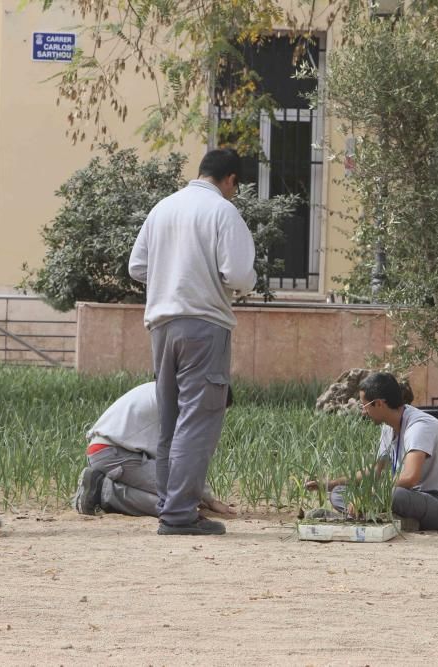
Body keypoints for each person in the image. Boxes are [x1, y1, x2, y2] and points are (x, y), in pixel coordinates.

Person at [128, 147, 256, 536]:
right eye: (237, 185)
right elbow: (237, 274)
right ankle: (179, 516)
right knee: (198, 421)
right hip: (204, 325)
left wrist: (172, 278)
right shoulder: (222, 212)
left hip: (161, 326)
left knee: (170, 421)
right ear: (231, 179)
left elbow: (137, 267)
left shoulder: (163, 208)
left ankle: (170, 506)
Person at [305, 372, 438, 532]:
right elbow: (376, 471)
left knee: (395, 494)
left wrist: (367, 495)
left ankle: (375, 518)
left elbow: (410, 478)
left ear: (379, 404)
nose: (363, 412)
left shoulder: (418, 427)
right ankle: (395, 521)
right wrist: (329, 484)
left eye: (365, 406)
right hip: (411, 499)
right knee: (339, 494)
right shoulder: (388, 427)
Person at [73, 382, 237, 517]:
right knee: (179, 506)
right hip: (113, 453)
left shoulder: (172, 390)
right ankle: (103, 492)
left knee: (182, 498)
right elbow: (183, 466)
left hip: (110, 450)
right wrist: (209, 500)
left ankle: (101, 487)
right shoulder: (181, 405)